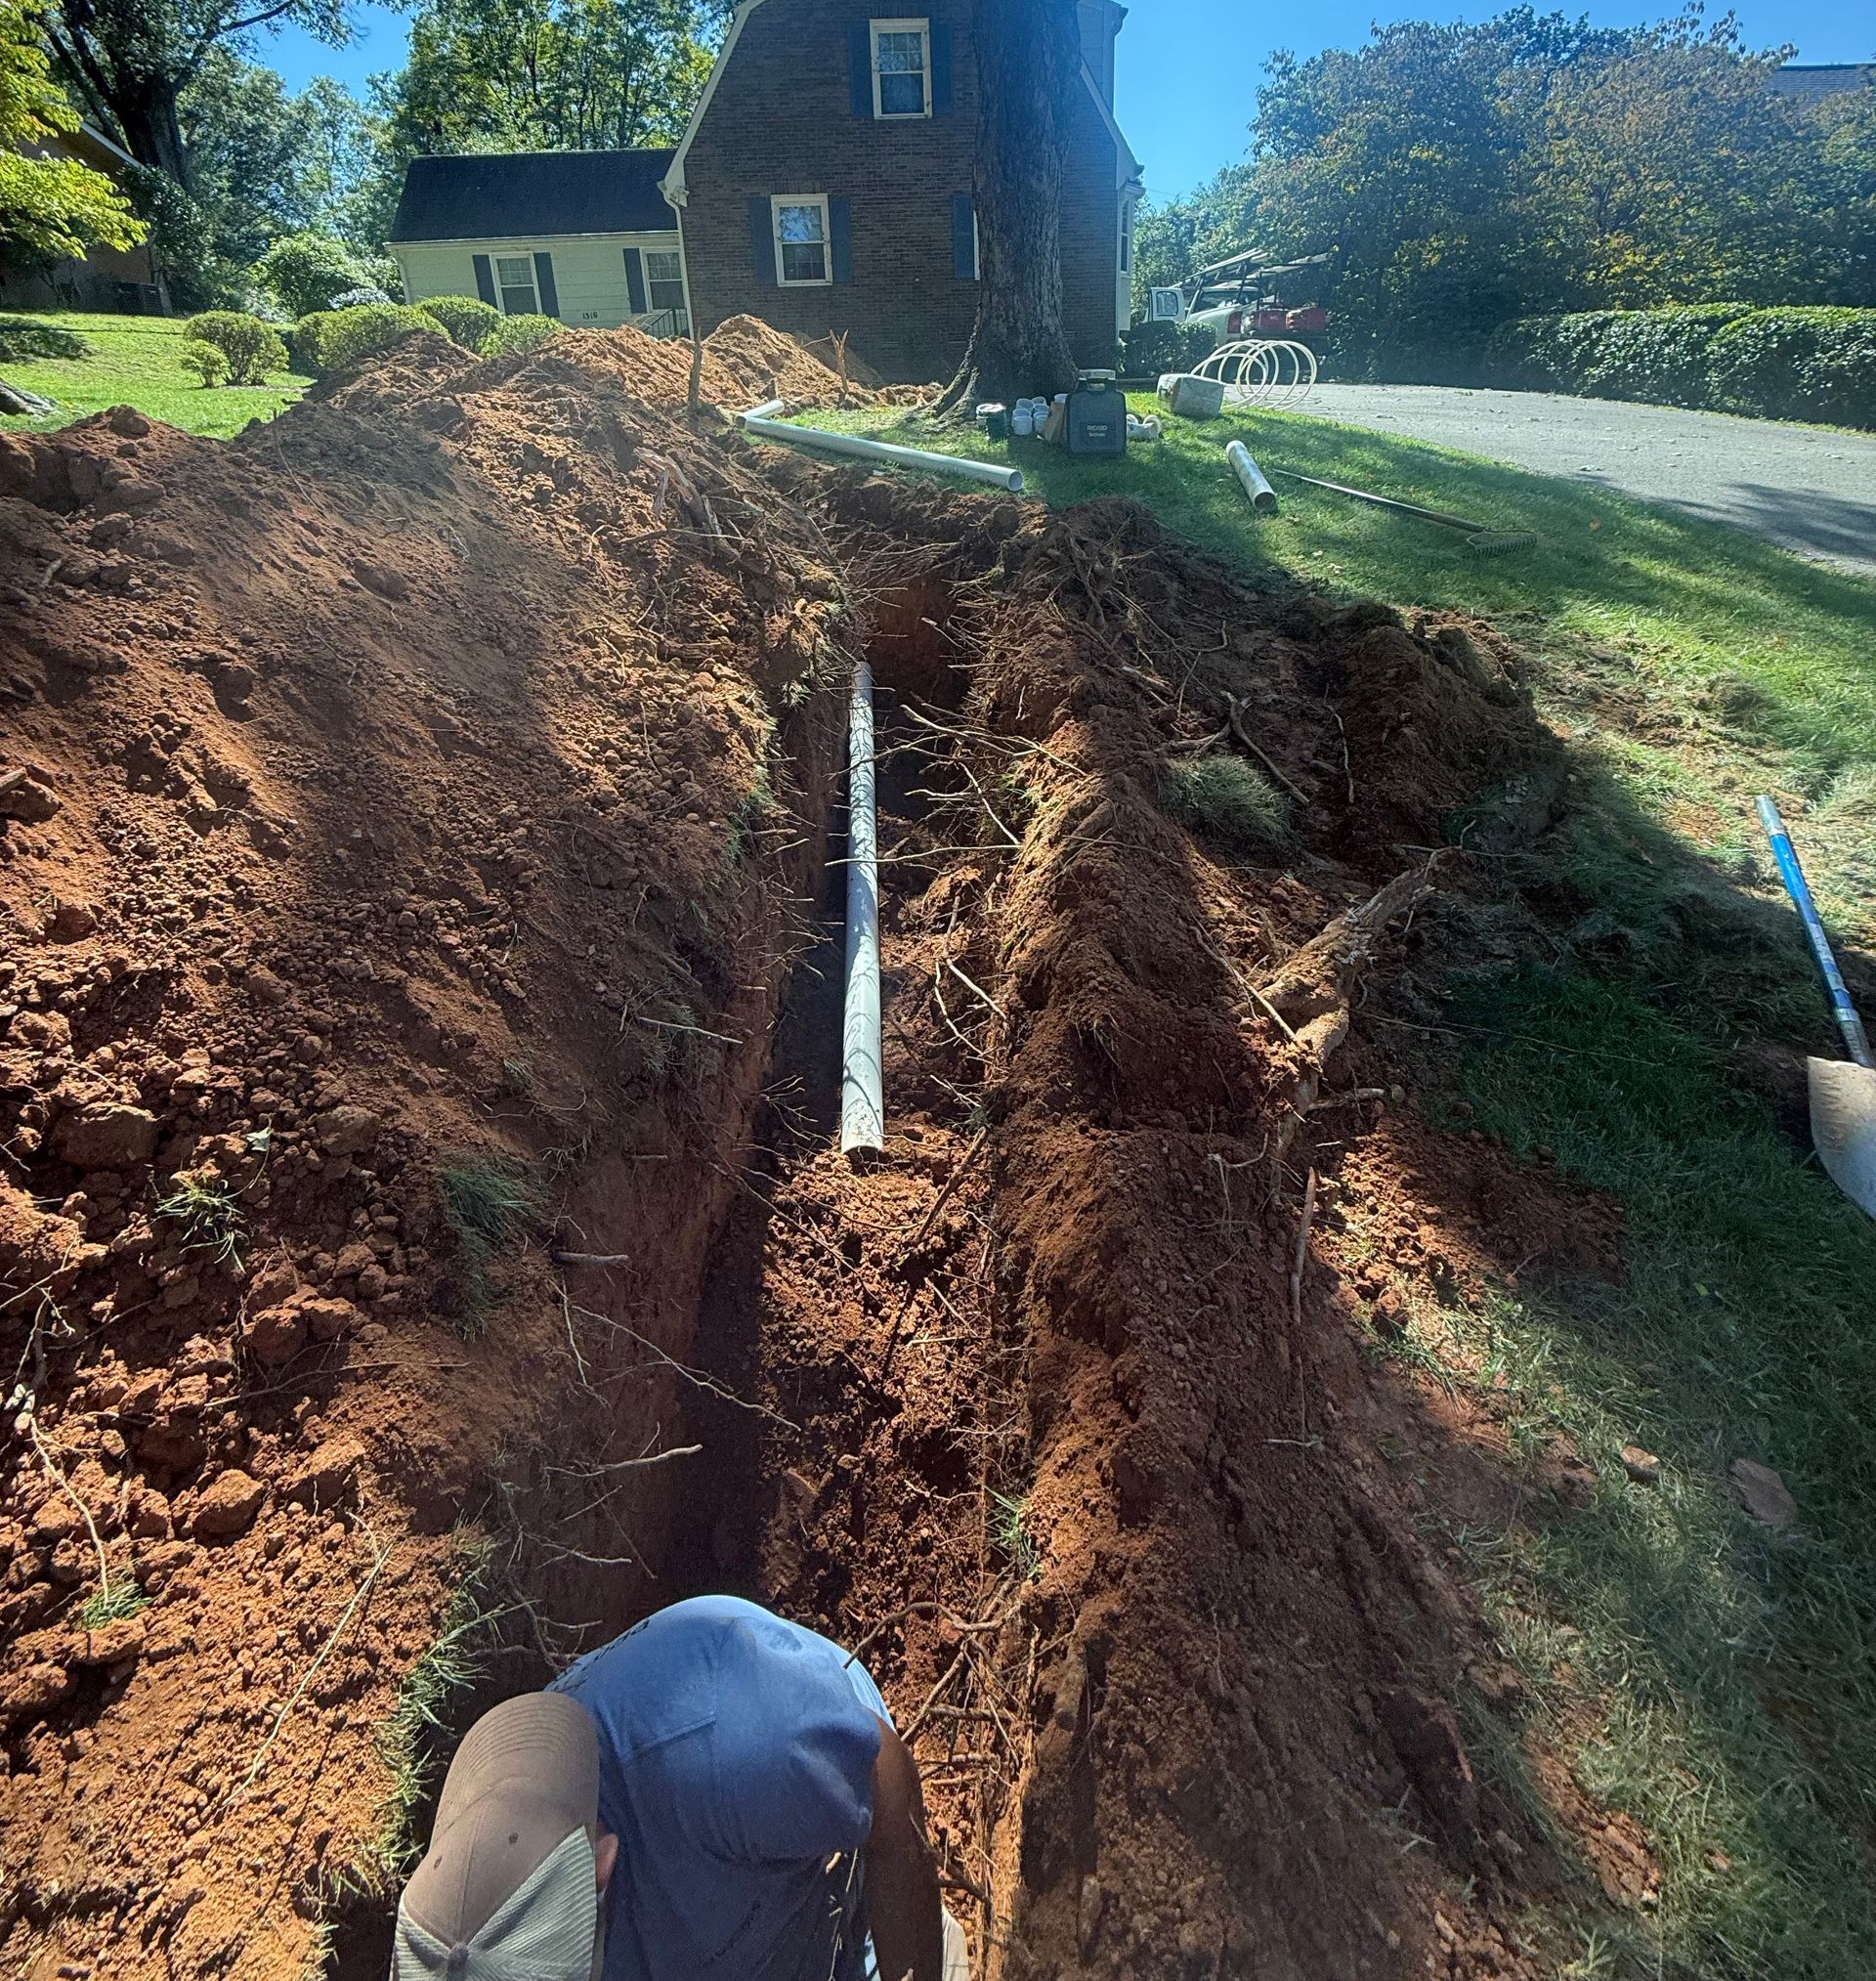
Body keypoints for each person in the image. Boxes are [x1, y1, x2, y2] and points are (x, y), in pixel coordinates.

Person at [391, 1593, 968, 1981]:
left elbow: (886, 1779)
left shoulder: (740, 1747)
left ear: (603, 1863)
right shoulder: (464, 1920)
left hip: (801, 1832)